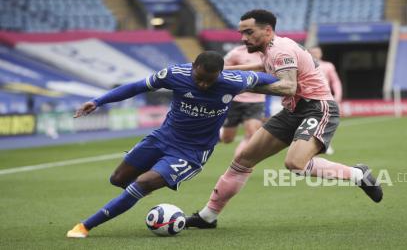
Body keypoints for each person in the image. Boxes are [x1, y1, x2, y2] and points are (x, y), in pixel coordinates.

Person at [186, 9, 383, 229]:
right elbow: (264, 67)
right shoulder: (271, 49)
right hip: (292, 111)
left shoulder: (281, 50)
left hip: (317, 108)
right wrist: (227, 71)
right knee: (242, 159)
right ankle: (207, 216)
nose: (243, 38)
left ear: (267, 30)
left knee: (295, 163)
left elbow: (289, 86)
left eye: (249, 32)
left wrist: (239, 84)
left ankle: (358, 174)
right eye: (241, 33)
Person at [66, 51, 278, 238]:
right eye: (200, 78)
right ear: (193, 67)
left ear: (220, 75)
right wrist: (98, 101)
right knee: (118, 179)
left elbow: (267, 77)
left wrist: (287, 79)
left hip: (191, 152)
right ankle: (146, 183)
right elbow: (137, 86)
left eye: (210, 81)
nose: (204, 85)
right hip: (162, 138)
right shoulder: (175, 74)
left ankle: (84, 227)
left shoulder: (235, 81)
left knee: (142, 183)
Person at [221, 45, 265, 157]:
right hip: (235, 100)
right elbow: (222, 70)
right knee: (227, 138)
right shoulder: (236, 52)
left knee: (252, 133)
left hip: (256, 101)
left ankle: (239, 163)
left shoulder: (268, 53)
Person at [308, 46, 343, 155]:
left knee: (325, 122)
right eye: (313, 52)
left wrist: (337, 95)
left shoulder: (328, 66)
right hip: (309, 98)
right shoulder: (305, 65)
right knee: (310, 122)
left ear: (321, 53)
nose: (315, 54)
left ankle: (326, 143)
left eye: (317, 52)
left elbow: (335, 81)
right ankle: (309, 145)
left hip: (325, 97)